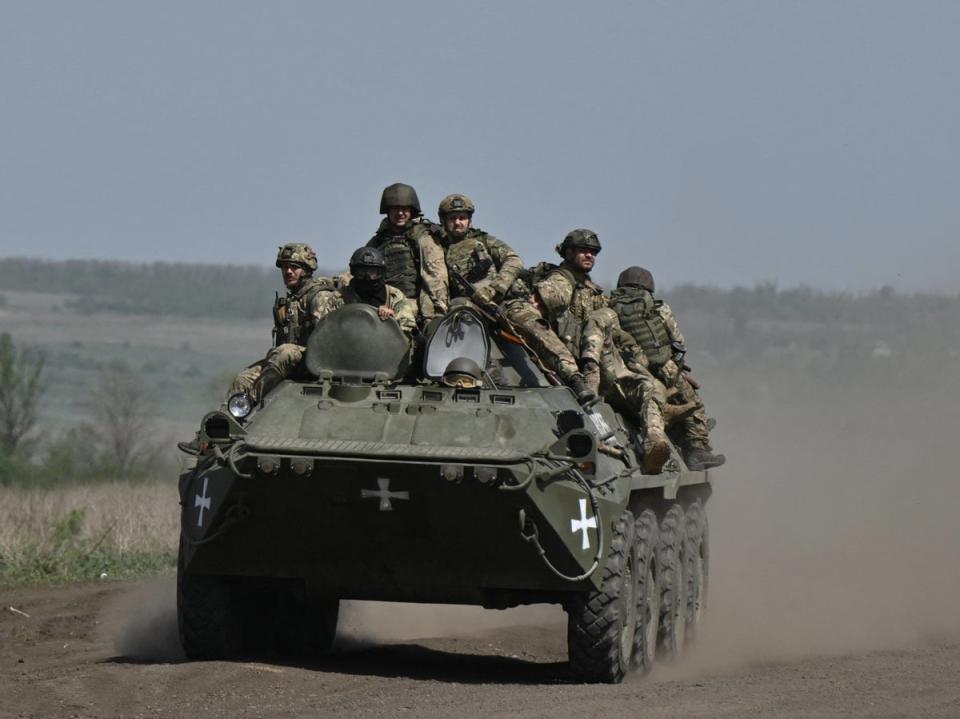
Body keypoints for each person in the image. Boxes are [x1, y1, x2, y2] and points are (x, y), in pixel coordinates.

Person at [511, 229, 671, 472]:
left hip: (602, 366)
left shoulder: (591, 290)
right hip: (571, 369)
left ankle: (654, 445)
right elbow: (535, 309)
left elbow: (615, 332)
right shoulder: (561, 281)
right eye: (583, 251)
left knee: (650, 388)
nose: (589, 256)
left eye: (593, 252)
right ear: (568, 252)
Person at [609, 266, 725, 470]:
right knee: (692, 403)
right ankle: (697, 448)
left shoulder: (610, 308)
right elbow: (678, 342)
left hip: (629, 372)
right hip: (664, 370)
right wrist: (679, 369)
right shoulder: (658, 308)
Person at [222, 243, 334, 405]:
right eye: (284, 267)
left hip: (314, 362)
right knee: (243, 379)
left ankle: (248, 402)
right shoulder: (291, 300)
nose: (288, 272)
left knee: (284, 352)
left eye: (294, 267)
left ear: (307, 270)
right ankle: (226, 420)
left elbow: (326, 340)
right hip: (289, 362)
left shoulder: (319, 296)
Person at [366, 182, 447, 322]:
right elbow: (360, 269)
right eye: (395, 209)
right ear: (388, 211)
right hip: (382, 303)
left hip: (414, 305)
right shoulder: (378, 241)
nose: (400, 213)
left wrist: (435, 316)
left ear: (412, 210)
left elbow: (435, 278)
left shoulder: (423, 238)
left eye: (404, 209)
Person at [313, 247, 417, 336]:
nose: (367, 278)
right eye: (361, 272)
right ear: (354, 272)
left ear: (381, 273)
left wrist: (392, 320)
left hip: (385, 351)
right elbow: (324, 331)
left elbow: (408, 329)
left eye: (372, 273)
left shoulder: (393, 296)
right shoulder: (339, 298)